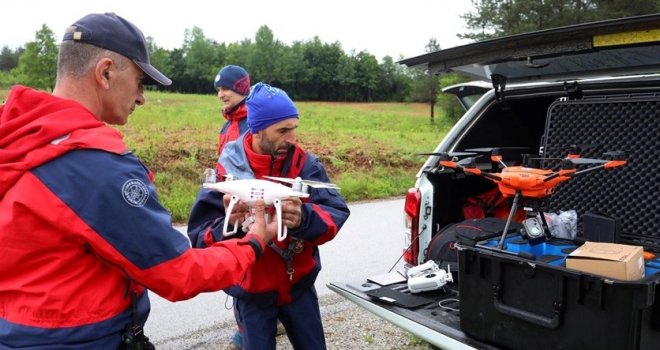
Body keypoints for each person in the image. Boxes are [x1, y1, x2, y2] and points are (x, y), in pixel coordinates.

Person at [0, 13, 277, 349]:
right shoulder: (94, 166)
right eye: (140, 82)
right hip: (81, 339)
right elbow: (178, 272)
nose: (143, 98)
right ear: (105, 73)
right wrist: (253, 244)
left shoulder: (17, 138)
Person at [188, 82, 351, 349]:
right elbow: (199, 235)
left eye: (294, 128)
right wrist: (232, 222)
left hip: (299, 289)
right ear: (257, 129)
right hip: (251, 294)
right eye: (283, 130)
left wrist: (302, 219)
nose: (292, 139)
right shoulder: (227, 169)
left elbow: (337, 212)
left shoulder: (305, 164)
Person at [213, 65, 251, 157]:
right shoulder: (227, 125)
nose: (220, 95)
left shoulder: (256, 125)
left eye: (225, 88)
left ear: (241, 88)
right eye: (218, 90)